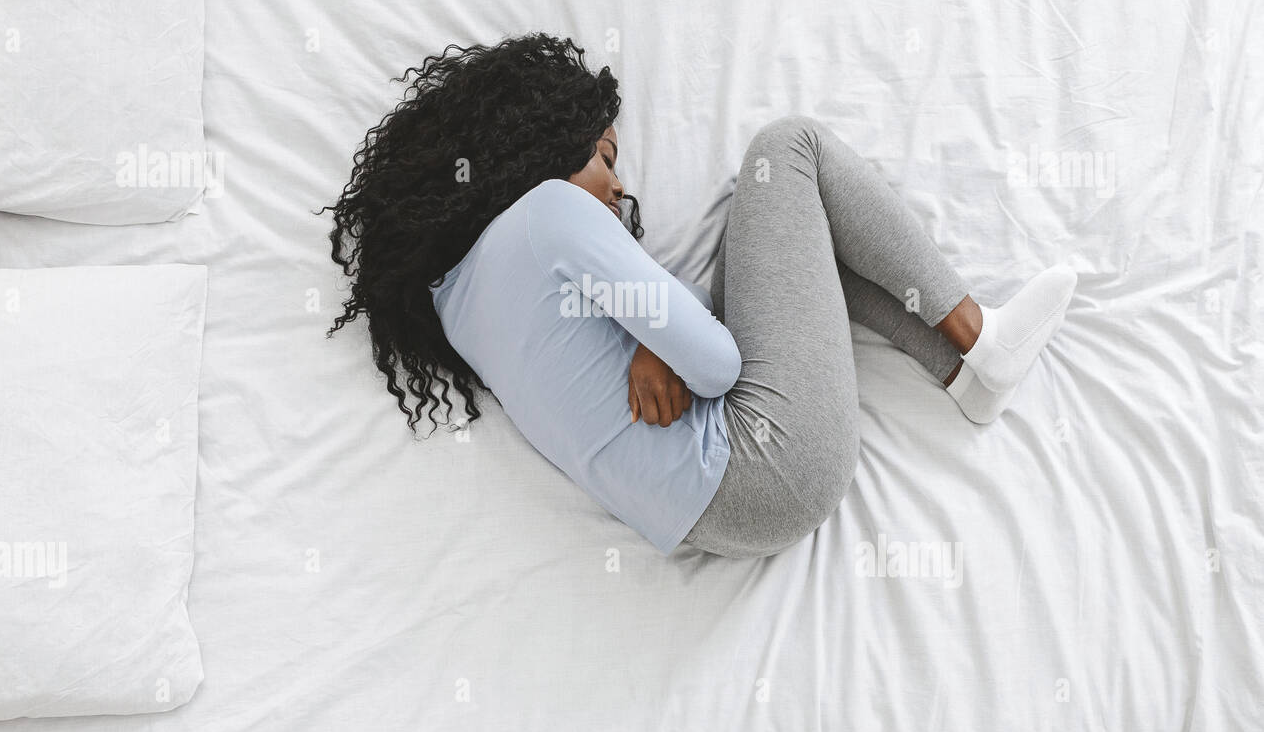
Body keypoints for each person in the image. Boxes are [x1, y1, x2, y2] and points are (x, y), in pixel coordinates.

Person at [325, 32, 1076, 559]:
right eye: (605, 156)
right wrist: (668, 344)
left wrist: (657, 339)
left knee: (787, 244)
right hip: (767, 462)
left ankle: (964, 377)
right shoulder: (550, 211)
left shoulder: (457, 306)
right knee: (786, 153)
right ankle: (983, 334)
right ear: (540, 147)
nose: (619, 185)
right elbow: (715, 365)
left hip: (711, 522)